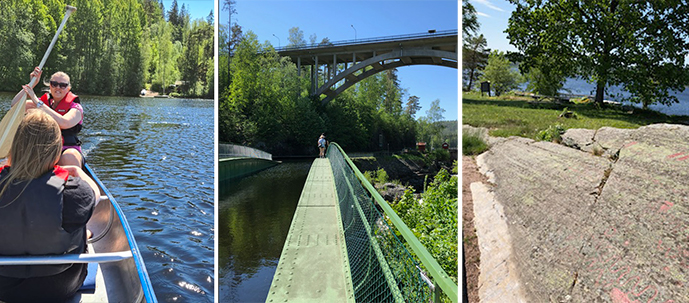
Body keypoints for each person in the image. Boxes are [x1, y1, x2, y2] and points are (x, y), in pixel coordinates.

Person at [0, 111, 99, 303]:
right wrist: (78, 171)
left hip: (3, 287)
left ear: (15, 146)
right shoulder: (73, 191)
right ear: (56, 150)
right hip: (60, 286)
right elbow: (94, 196)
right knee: (79, 220)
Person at [19, 67, 84, 167]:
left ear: (68, 88)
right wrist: (32, 84)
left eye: (63, 85)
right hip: (43, 149)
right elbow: (15, 105)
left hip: (65, 149)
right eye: (54, 84)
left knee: (70, 157)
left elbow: (64, 123)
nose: (58, 87)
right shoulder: (43, 102)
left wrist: (36, 101)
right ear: (50, 85)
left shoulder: (75, 108)